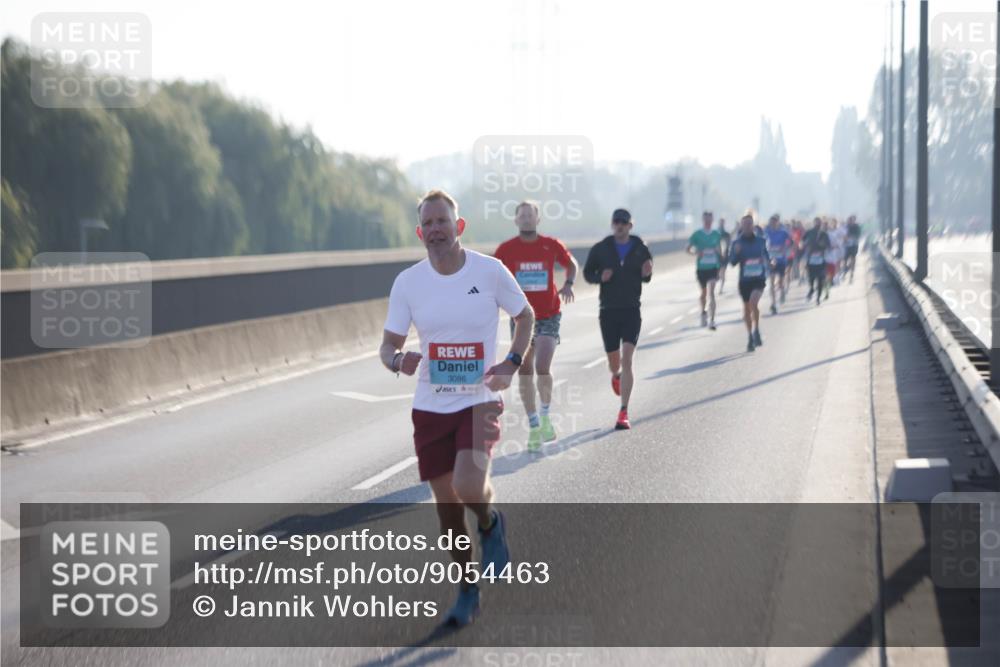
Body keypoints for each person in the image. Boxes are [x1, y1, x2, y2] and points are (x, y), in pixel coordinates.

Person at [380, 190, 534, 627]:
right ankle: (467, 589)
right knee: (447, 507)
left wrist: (512, 362)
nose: (435, 230)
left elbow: (524, 317)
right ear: (419, 233)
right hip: (430, 406)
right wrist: (397, 360)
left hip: (479, 398)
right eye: (427, 224)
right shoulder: (408, 283)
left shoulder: (490, 272)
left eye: (442, 221)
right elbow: (388, 345)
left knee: (469, 485)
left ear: (458, 226)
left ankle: (490, 522)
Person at [494, 201, 578, 451]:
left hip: (548, 314)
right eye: (522, 215)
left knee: (542, 366)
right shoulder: (506, 249)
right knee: (525, 370)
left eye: (531, 215)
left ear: (538, 219)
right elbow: (491, 275)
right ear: (516, 220)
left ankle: (545, 415)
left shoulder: (550, 244)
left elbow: (571, 263)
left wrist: (569, 283)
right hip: (521, 317)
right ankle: (533, 425)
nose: (527, 219)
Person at [583, 208, 653, 430]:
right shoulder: (601, 248)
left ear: (630, 226)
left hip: (632, 310)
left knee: (627, 359)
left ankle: (623, 411)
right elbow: (587, 273)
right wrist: (599, 278)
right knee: (615, 362)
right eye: (616, 222)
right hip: (608, 311)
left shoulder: (640, 248)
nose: (620, 225)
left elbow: (647, 276)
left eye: (624, 222)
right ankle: (616, 376)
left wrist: (647, 272)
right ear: (612, 225)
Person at [728, 211, 769, 352]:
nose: (747, 226)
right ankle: (750, 336)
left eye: (749, 224)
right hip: (744, 281)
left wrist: (772, 262)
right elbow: (732, 262)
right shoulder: (736, 243)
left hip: (758, 278)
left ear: (753, 225)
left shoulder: (761, 241)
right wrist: (737, 253)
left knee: (753, 302)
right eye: (744, 224)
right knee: (746, 310)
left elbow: (767, 256)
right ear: (741, 226)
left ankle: (756, 329)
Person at [687, 211, 722, 330]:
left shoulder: (716, 234)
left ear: (712, 220)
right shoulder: (697, 234)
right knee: (704, 293)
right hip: (701, 268)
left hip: (713, 267)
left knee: (712, 292)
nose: (708, 222)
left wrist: (720, 264)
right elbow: (688, 249)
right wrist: (697, 253)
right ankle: (703, 311)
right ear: (703, 220)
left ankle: (712, 320)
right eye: (706, 220)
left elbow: (719, 250)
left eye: (710, 220)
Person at [764, 213, 793, 314]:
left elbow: (791, 242)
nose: (772, 224)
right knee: (771, 283)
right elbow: (763, 242)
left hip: (781, 260)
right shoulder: (767, 232)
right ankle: (773, 303)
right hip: (771, 260)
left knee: (780, 282)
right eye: (771, 222)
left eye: (774, 222)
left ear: (777, 223)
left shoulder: (783, 232)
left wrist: (785, 248)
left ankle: (782, 291)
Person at [802, 217, 831, 306]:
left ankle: (818, 298)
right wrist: (805, 246)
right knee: (811, 277)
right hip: (811, 259)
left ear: (821, 224)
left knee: (820, 279)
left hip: (821, 259)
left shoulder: (824, 234)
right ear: (814, 223)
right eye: (816, 222)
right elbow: (803, 241)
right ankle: (811, 289)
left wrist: (823, 246)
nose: (817, 224)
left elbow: (828, 245)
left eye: (819, 223)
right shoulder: (809, 232)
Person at [843, 215, 862, 282]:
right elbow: (843, 235)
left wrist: (851, 237)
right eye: (849, 220)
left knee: (853, 258)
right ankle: (845, 270)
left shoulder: (857, 227)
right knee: (845, 259)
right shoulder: (846, 227)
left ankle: (852, 273)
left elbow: (859, 235)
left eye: (851, 220)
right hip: (847, 245)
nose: (850, 221)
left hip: (854, 245)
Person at [718, 217, 732, 293]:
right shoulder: (716, 233)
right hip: (717, 256)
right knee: (719, 272)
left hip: (725, 256)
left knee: (723, 272)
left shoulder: (726, 234)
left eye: (723, 222)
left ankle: (721, 288)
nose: (722, 224)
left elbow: (729, 242)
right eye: (721, 222)